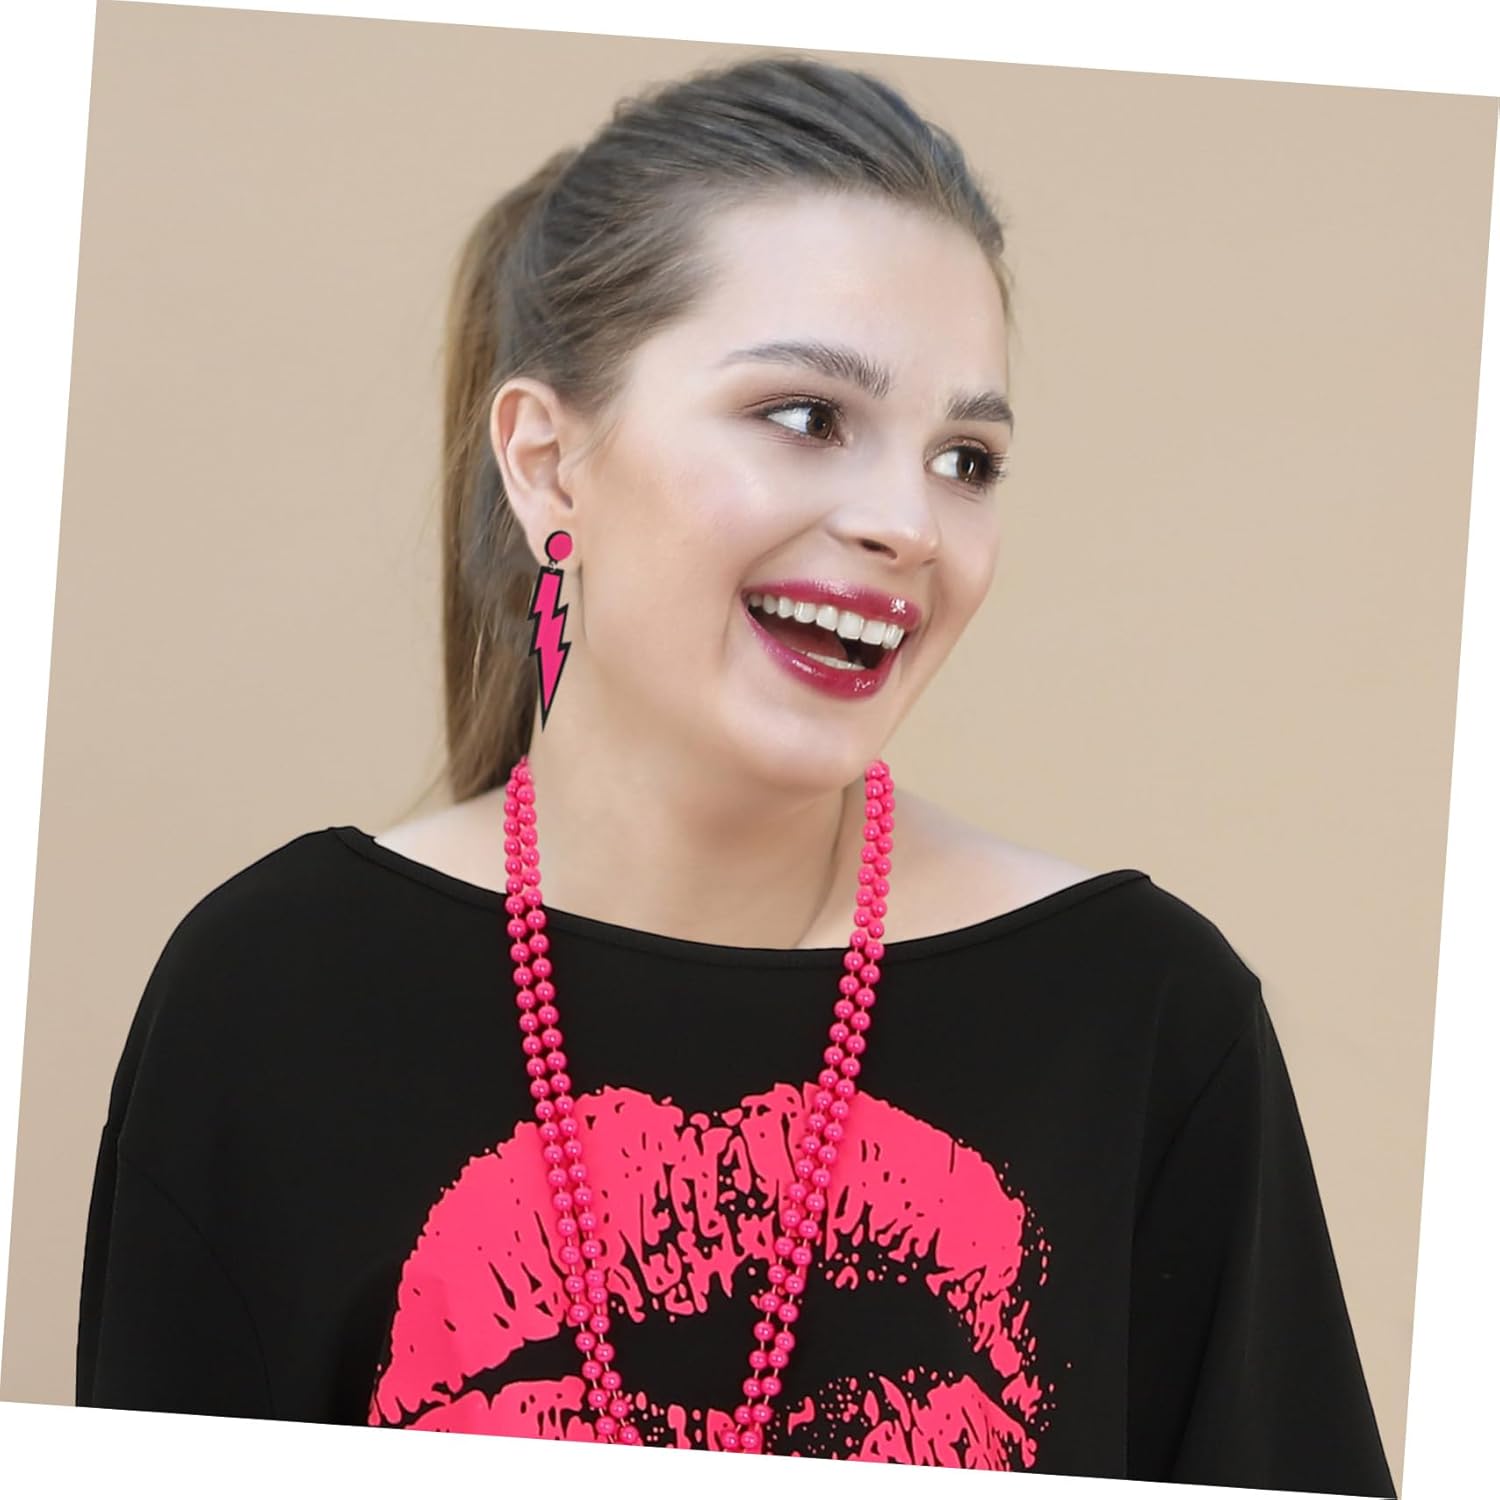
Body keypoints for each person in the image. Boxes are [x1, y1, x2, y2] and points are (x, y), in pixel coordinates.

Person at [76, 54, 1396, 1492]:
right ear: (548, 464)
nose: (909, 523)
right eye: (808, 416)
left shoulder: (1143, 1021)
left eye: (966, 457)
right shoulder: (271, 997)